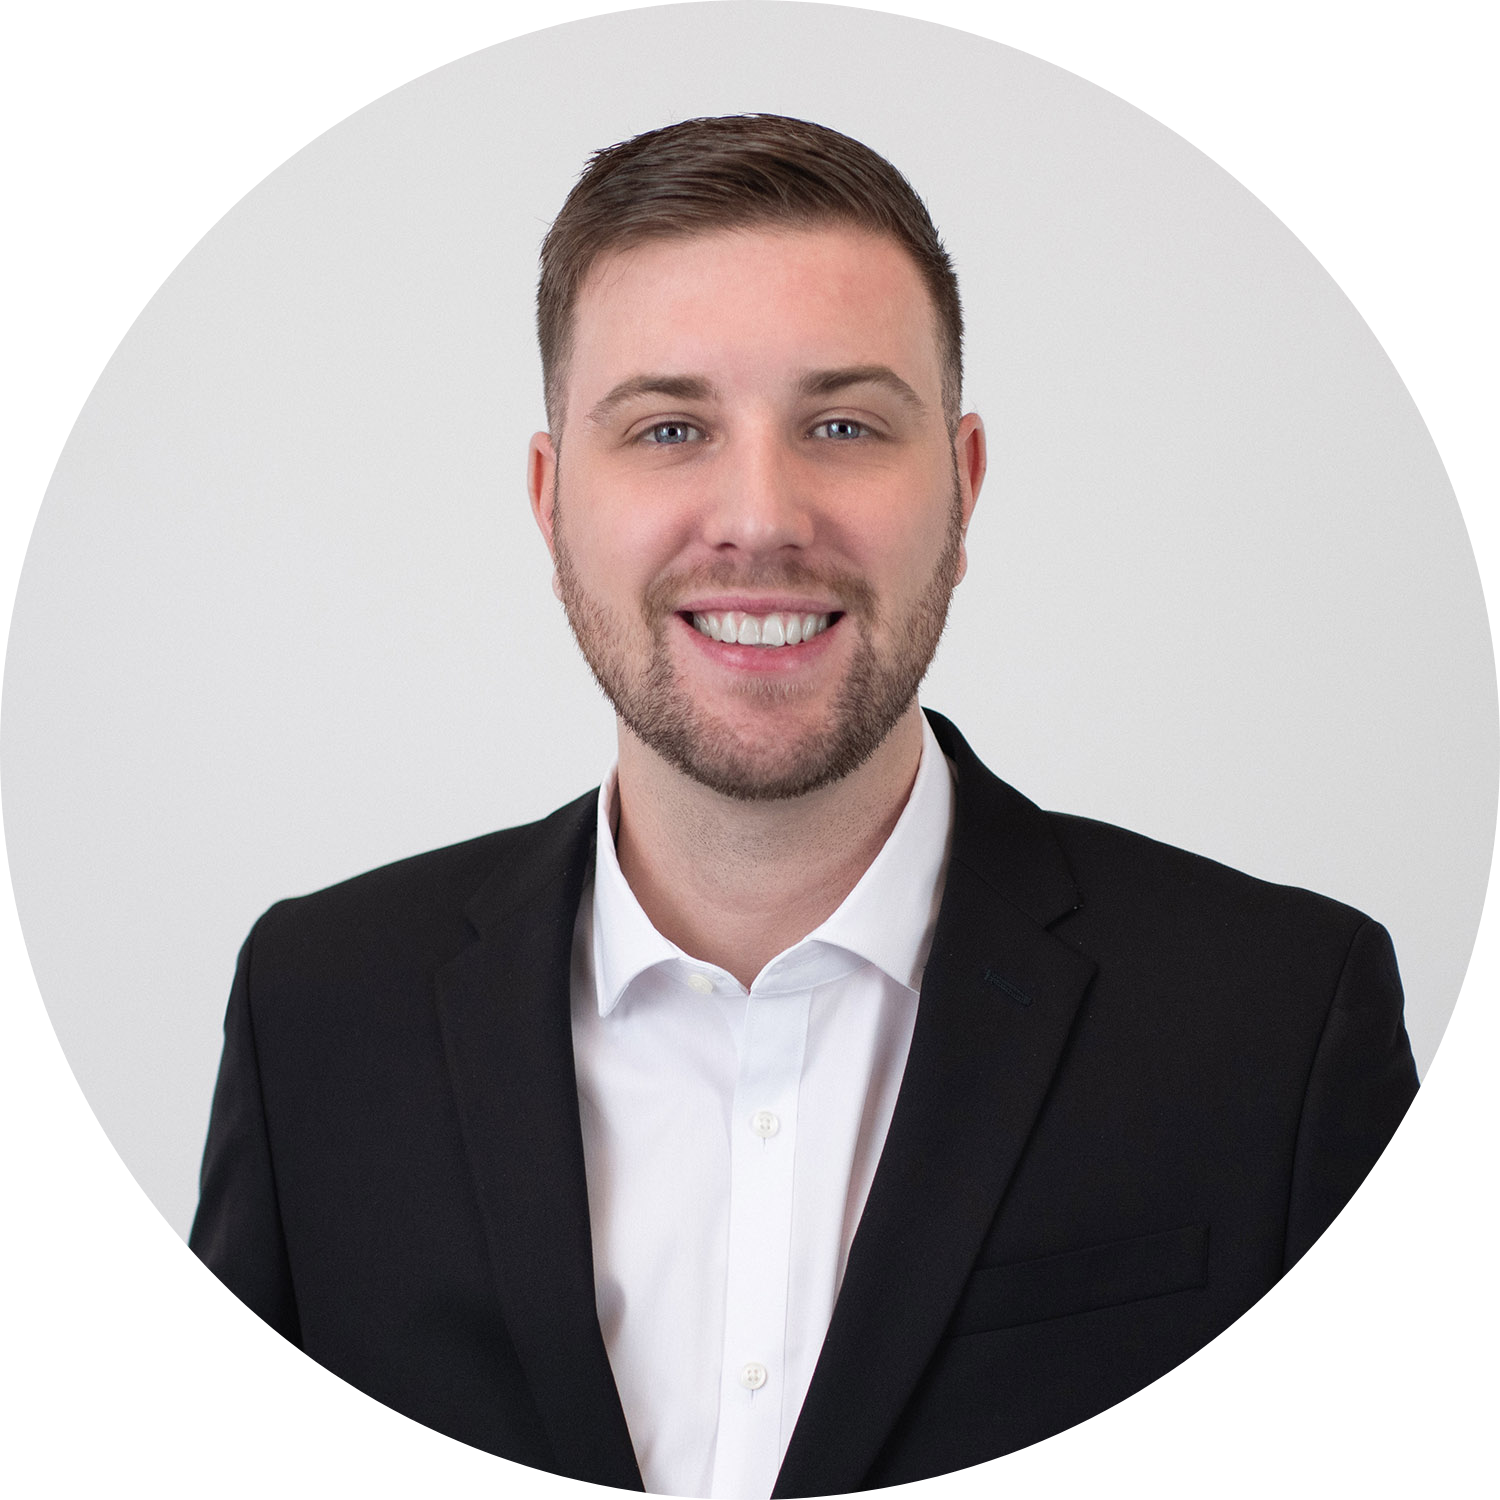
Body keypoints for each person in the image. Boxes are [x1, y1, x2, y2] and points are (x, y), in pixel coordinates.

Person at [189, 114, 1419, 1497]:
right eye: (669, 428)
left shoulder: (1279, 1021)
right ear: (550, 502)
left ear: (963, 488)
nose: (762, 515)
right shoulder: (318, 1011)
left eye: (843, 425)